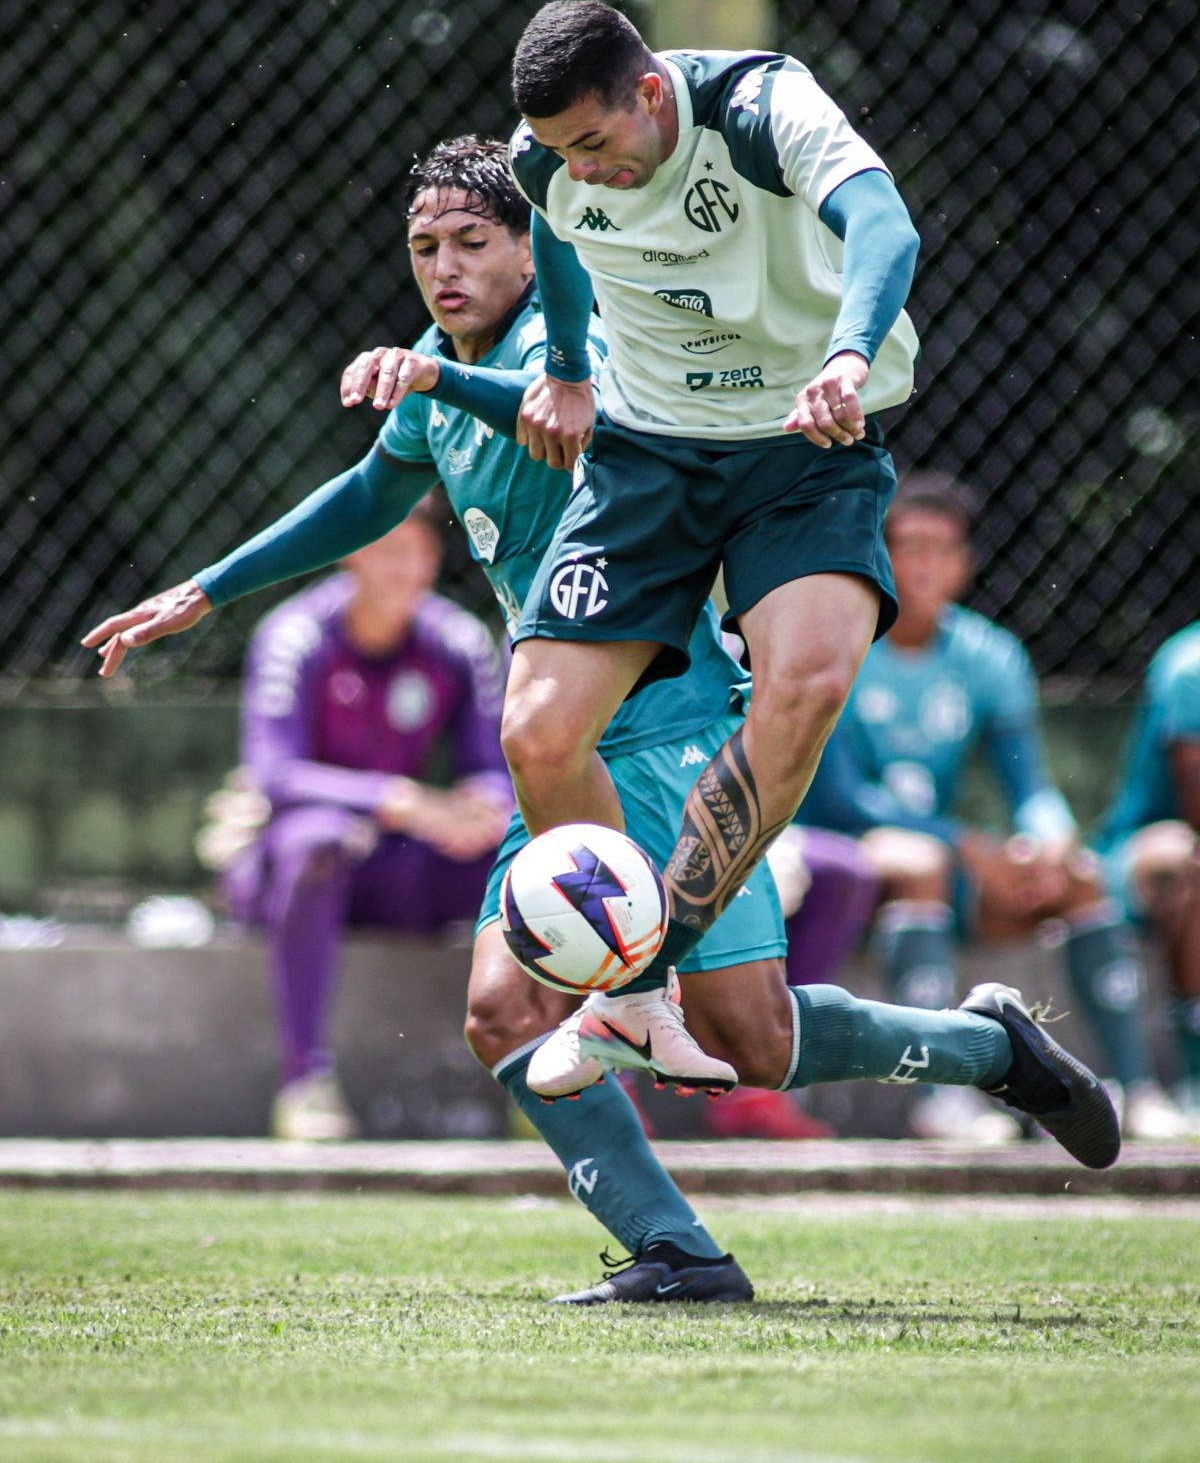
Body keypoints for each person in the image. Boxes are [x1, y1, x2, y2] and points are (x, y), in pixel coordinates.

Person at [82, 137, 1120, 1303]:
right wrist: (204, 589)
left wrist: (439, 383)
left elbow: (563, 421)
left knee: (750, 1039)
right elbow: (373, 491)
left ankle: (989, 1049)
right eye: (425, 246)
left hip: (667, 728)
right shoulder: (441, 359)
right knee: (503, 1006)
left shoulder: (582, 357)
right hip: (557, 747)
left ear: (535, 248)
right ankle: (676, 1248)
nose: (444, 267)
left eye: (474, 241)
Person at [495, 0, 928, 1093]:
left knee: (810, 682)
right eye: (558, 153)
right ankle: (638, 1000)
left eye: (595, 143)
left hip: (805, 442)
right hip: (650, 457)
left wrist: (846, 352)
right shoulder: (550, 169)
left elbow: (887, 225)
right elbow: (553, 226)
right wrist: (567, 368)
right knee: (539, 733)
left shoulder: (759, 109)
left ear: (650, 94)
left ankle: (640, 974)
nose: (580, 172)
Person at [796, 471, 1187, 1140]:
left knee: (1078, 878)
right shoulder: (841, 644)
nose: (923, 563)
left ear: (965, 564)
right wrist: (962, 843)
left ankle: (1140, 1090)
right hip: (846, 855)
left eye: (941, 548)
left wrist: (1049, 836)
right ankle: (939, 1098)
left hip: (948, 859)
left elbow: (1028, 785)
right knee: (917, 859)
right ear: (879, 554)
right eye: (907, 546)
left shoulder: (988, 655)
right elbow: (841, 799)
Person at [209, 504, 513, 1140]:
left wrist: (476, 813)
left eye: (416, 551)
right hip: (289, 862)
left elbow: (491, 767)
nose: (401, 568)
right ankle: (304, 1084)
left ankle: (546, 1075)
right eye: (384, 548)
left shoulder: (456, 640)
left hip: (401, 864)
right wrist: (397, 799)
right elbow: (275, 774)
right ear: (352, 552)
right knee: (318, 842)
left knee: (529, 857)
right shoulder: (295, 634)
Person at [1092, 621, 1200, 1116]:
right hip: (1142, 855)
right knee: (1191, 857)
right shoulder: (1191, 665)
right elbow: (1196, 807)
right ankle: (1194, 1075)